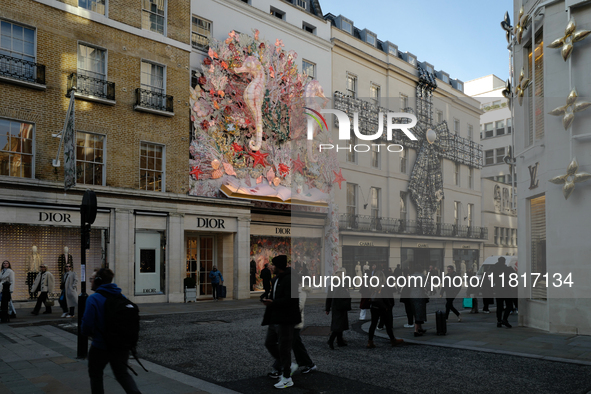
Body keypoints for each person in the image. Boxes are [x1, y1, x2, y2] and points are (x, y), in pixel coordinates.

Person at [81, 268, 141, 394]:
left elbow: (86, 325)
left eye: (92, 279)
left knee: (96, 375)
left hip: (100, 346)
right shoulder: (121, 296)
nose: (90, 282)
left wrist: (88, 334)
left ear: (98, 281)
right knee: (122, 374)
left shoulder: (93, 299)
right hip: (120, 345)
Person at [262, 255, 300, 389]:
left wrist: (273, 302)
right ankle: (287, 366)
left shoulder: (290, 279)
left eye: (273, 265)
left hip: (286, 318)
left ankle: (287, 378)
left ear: (278, 266)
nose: (271, 267)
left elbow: (292, 300)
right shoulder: (277, 279)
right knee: (269, 342)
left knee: (284, 348)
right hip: (276, 317)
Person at [367, 271, 403, 348]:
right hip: (382, 307)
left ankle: (370, 341)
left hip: (374, 307)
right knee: (387, 324)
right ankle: (393, 340)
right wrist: (389, 305)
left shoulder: (372, 286)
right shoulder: (384, 286)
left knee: (373, 324)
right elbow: (386, 298)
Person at [291, 284, 317, 375]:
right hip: (291, 321)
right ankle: (309, 364)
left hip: (295, 322)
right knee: (296, 344)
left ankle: (279, 368)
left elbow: (299, 306)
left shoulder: (301, 291)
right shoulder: (293, 290)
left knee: (287, 344)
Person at [325, 269, 351, 349]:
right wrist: (347, 291)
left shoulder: (331, 286)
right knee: (339, 325)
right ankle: (331, 340)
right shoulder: (341, 285)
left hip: (335, 307)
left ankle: (340, 341)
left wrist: (327, 308)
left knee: (339, 324)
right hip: (340, 307)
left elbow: (328, 298)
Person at [492, 257, 514, 328]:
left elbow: (492, 280)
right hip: (506, 290)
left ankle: (499, 321)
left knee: (499, 306)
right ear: (504, 262)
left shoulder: (494, 269)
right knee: (509, 305)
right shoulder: (508, 269)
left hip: (498, 290)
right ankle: (504, 319)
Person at [409, 267, 428, 337]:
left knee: (415, 312)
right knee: (419, 312)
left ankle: (420, 328)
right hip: (419, 295)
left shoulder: (411, 276)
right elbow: (425, 285)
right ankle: (416, 331)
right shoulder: (422, 276)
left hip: (412, 296)